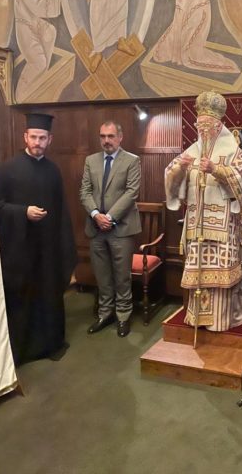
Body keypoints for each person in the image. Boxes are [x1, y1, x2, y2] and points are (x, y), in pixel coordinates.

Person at [0, 113, 77, 366]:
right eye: (33, 137)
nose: (37, 142)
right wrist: (23, 212)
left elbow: (61, 211)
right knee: (22, 299)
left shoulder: (53, 171)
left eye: (42, 138)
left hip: (47, 250)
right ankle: (23, 350)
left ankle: (50, 344)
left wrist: (65, 247)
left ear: (50, 139)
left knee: (48, 295)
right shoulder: (8, 169)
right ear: (25, 137)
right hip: (19, 250)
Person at [164, 91, 242, 330]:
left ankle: (222, 321)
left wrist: (217, 170)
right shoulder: (193, 150)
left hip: (223, 228)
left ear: (218, 125)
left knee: (221, 275)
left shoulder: (234, 150)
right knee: (199, 274)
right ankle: (198, 318)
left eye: (207, 126)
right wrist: (179, 170)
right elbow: (170, 175)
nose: (203, 130)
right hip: (197, 225)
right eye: (199, 126)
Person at [80, 121, 141, 337]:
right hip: (96, 228)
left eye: (111, 136)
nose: (106, 140)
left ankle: (123, 316)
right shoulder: (91, 160)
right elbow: (85, 191)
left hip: (121, 229)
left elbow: (131, 192)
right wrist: (96, 215)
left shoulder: (132, 160)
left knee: (122, 276)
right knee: (102, 275)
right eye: (103, 136)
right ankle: (105, 314)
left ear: (120, 137)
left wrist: (110, 217)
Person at [14, 0, 75, 103]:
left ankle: (40, 78)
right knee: (38, 62)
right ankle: (20, 94)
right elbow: (39, 5)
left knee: (50, 32)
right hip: (26, 29)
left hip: (34, 24)